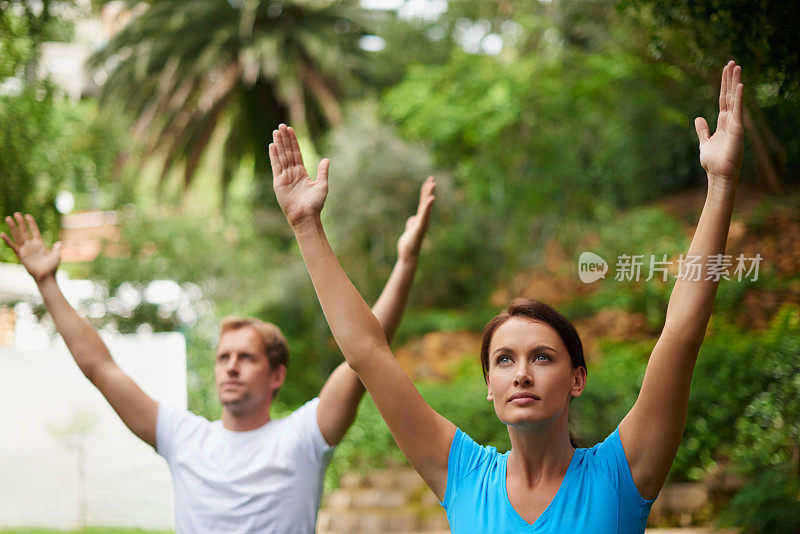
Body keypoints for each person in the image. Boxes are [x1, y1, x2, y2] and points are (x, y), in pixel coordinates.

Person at [270, 60, 745, 532]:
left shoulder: (621, 475)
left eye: (541, 357)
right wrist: (306, 226)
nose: (521, 374)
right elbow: (368, 354)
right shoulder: (462, 476)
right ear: (488, 385)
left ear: (576, 379)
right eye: (503, 360)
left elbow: (680, 335)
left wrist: (721, 185)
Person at [1, 174, 435, 533]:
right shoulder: (183, 437)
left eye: (246, 358)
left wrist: (407, 263)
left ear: (276, 375)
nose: (230, 366)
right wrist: (48, 284)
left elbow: (366, 353)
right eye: (224, 357)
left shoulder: (304, 436)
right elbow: (100, 367)